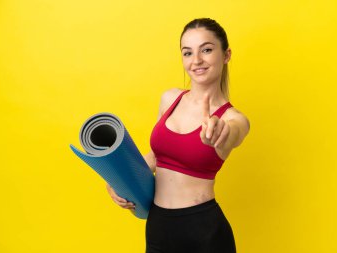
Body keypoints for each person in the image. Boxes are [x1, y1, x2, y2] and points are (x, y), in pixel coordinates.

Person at [106, 18, 250, 253]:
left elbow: (233, 132)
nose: (196, 61)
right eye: (187, 52)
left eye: (206, 49)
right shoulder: (170, 99)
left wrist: (220, 131)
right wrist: (119, 179)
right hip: (158, 226)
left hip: (204, 233)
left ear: (226, 55)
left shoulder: (233, 120)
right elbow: (155, 157)